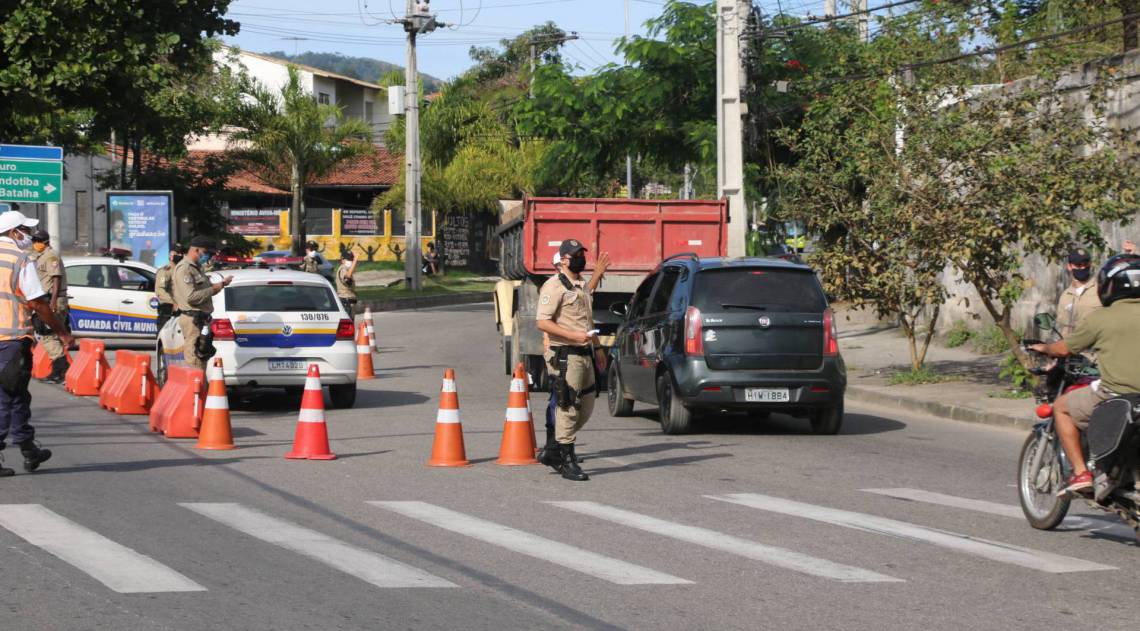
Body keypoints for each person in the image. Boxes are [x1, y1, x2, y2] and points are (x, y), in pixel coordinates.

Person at [1030, 253, 1140, 496]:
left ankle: (1081, 473)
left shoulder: (1103, 317)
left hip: (1115, 394)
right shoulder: (1069, 296)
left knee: (1062, 407)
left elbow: (1064, 348)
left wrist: (1044, 348)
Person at [0, 212, 74, 476]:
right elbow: (37, 303)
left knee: (18, 396)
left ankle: (29, 448)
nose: (29, 236)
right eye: (25, 230)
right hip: (11, 340)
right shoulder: (20, 259)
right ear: (14, 232)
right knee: (7, 397)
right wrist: (62, 332)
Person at [535, 239, 608, 481]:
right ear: (564, 259)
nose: (580, 259)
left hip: (585, 353)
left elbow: (587, 320)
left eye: (581, 254)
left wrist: (598, 347)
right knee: (567, 406)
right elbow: (542, 322)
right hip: (566, 355)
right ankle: (566, 460)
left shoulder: (581, 286)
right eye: (575, 255)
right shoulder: (554, 286)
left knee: (586, 405)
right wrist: (572, 336)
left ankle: (554, 448)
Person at [172, 237, 232, 370]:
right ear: (197, 250)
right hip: (193, 320)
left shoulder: (197, 268)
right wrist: (215, 288)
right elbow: (191, 297)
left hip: (202, 320)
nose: (208, 257)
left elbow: (205, 291)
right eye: (207, 253)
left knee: (202, 357)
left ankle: (201, 383)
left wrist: (221, 285)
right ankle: (197, 384)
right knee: (195, 361)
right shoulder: (184, 269)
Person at [29, 231, 70, 384]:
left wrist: (52, 301)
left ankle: (61, 370)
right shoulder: (41, 256)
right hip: (46, 299)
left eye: (38, 240)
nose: (35, 243)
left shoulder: (51, 256)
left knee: (48, 334)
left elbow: (56, 278)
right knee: (49, 334)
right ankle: (59, 371)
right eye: (34, 240)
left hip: (54, 299)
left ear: (45, 241)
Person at [1055, 247, 1099, 337]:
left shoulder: (1101, 289)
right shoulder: (1065, 297)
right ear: (1069, 267)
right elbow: (1064, 327)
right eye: (1078, 265)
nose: (1083, 267)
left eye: (1085, 264)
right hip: (1073, 345)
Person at [154, 243, 186, 333]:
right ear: (171, 254)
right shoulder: (166, 270)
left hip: (182, 309)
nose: (180, 255)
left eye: (181, 253)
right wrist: (173, 303)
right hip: (168, 309)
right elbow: (160, 290)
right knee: (165, 337)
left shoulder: (183, 270)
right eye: (177, 253)